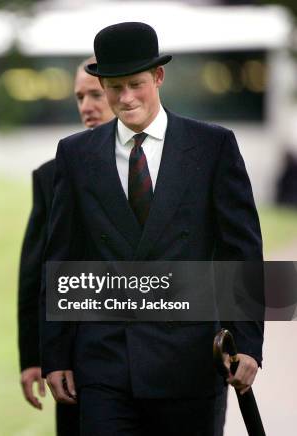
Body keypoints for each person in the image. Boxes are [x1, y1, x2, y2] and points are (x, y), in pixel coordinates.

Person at [41, 22, 264, 435]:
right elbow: (63, 257)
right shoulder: (75, 154)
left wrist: (248, 343)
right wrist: (54, 355)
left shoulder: (214, 147)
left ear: (158, 77)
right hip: (105, 364)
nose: (126, 98)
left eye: (136, 84)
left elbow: (242, 249)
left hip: (191, 364)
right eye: (114, 86)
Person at [18, 56, 114, 436]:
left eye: (95, 94)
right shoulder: (51, 176)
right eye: (79, 96)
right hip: (79, 358)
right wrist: (33, 358)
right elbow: (36, 273)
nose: (87, 106)